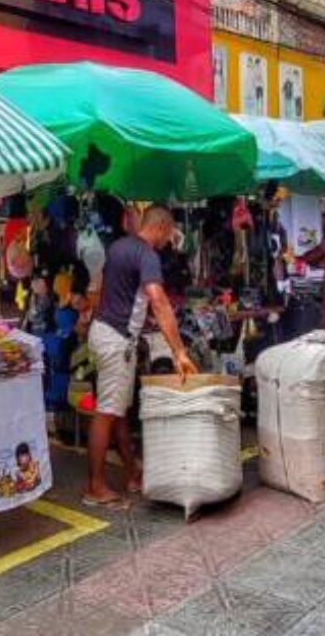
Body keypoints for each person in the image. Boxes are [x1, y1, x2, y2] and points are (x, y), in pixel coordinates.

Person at [83, 206, 198, 508]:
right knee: (107, 412)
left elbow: (111, 292)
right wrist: (179, 351)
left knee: (118, 410)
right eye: (169, 232)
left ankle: (133, 473)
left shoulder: (120, 246)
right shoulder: (147, 255)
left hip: (104, 331)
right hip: (115, 340)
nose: (169, 239)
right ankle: (95, 486)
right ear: (159, 227)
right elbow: (159, 301)